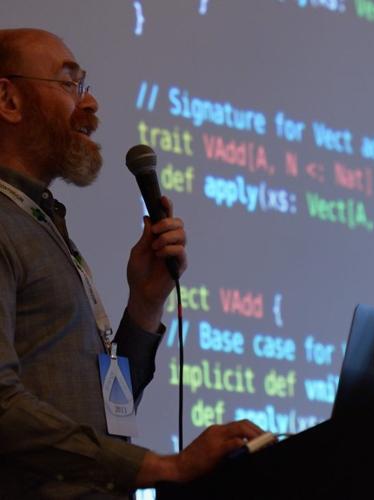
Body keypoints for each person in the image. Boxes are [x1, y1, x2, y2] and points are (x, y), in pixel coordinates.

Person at [0, 28, 263, 499]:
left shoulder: (38, 221)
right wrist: (164, 466)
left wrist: (144, 304)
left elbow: (106, 413)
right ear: (8, 100)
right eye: (69, 83)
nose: (90, 102)